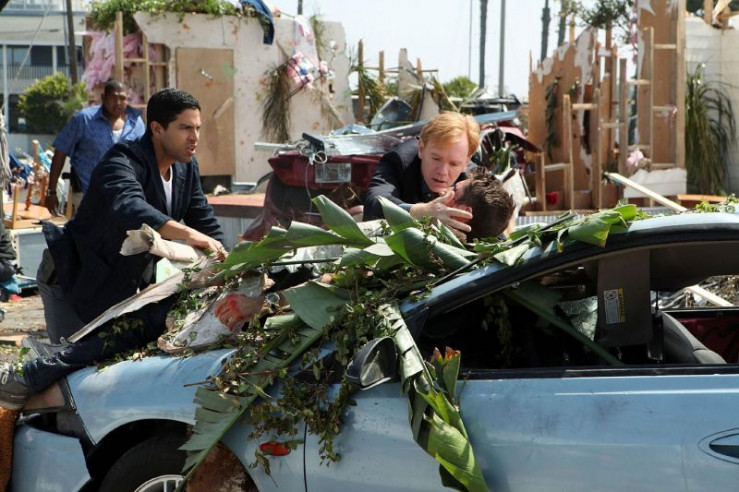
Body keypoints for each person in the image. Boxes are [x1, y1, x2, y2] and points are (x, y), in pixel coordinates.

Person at [0, 168, 513, 410]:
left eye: (454, 191)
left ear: (460, 211)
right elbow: (355, 227)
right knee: (136, 329)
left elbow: (339, 283)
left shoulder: (421, 257)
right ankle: (38, 374)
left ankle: (35, 374)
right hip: (263, 297)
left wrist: (260, 303)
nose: (444, 190)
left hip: (262, 317)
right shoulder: (434, 249)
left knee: (141, 328)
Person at [37, 87, 225, 346]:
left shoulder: (186, 167)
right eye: (185, 128)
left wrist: (230, 261)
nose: (195, 137)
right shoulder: (121, 160)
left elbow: (204, 220)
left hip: (118, 282)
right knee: (69, 359)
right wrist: (188, 234)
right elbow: (130, 206)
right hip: (73, 275)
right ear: (157, 129)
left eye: (197, 128)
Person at [363, 112, 481, 240]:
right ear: (421, 149)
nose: (442, 171)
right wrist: (422, 212)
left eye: (453, 164)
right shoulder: (399, 161)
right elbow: (374, 204)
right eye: (436, 158)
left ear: (466, 162)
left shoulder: (475, 180)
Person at [44, 80, 146, 215]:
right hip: (89, 197)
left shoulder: (136, 123)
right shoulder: (84, 120)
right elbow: (60, 152)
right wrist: (51, 192)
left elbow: (144, 158)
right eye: (113, 98)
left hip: (125, 197)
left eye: (122, 98)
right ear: (103, 98)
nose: (118, 103)